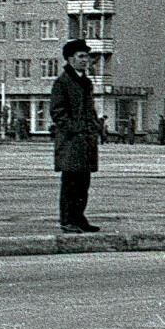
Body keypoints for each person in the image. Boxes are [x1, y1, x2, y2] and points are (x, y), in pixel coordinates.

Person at [50, 39, 102, 234]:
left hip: (86, 141)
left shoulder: (85, 82)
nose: (85, 60)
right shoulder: (62, 82)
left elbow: (90, 109)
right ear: (70, 59)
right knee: (70, 183)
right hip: (71, 142)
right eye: (81, 56)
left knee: (83, 184)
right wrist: (75, 129)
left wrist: (95, 126)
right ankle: (67, 220)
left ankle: (79, 218)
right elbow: (57, 112)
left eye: (87, 56)